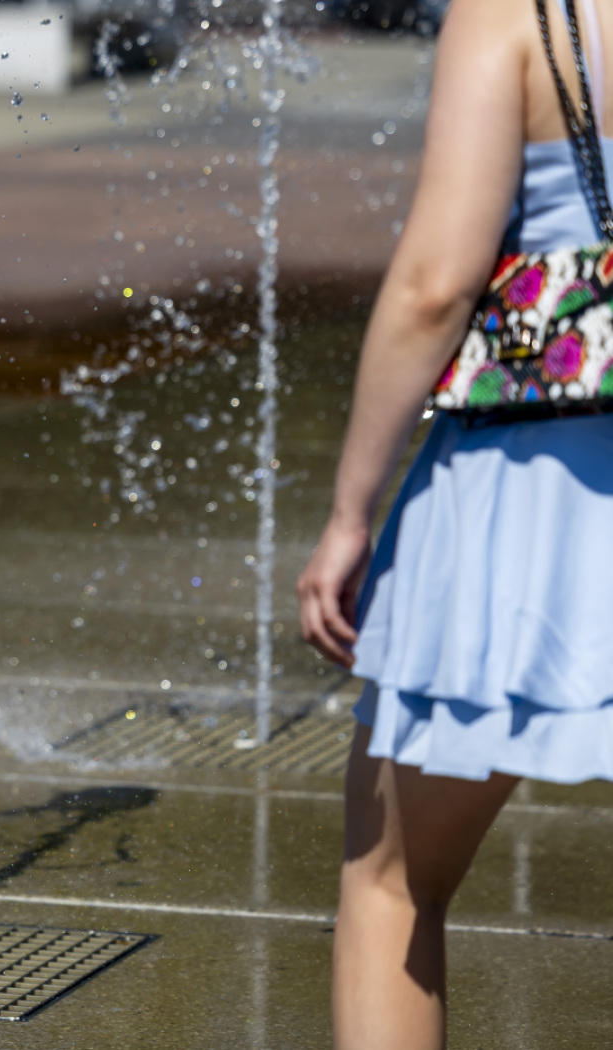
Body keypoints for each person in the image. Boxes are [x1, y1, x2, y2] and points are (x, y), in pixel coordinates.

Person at [297, 0, 613, 1045]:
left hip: (532, 483)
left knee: (391, 886)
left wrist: (350, 513)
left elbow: (436, 285)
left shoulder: (514, 15)